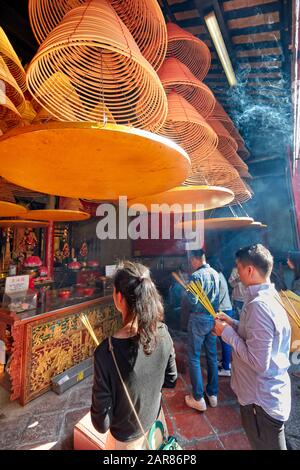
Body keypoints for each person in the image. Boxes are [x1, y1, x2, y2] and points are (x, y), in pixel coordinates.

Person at [91, 260, 177, 450]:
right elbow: (171, 380)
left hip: (126, 444)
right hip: (156, 427)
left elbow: (101, 423)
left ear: (119, 298)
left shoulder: (106, 353)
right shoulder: (163, 332)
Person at [214, 244, 291, 450]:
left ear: (250, 270)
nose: (237, 274)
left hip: (261, 402)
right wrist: (233, 323)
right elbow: (256, 336)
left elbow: (258, 363)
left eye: (239, 268)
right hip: (265, 397)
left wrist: (226, 334)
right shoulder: (268, 297)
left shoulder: (259, 306)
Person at [183, 249, 220, 412]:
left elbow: (192, 300)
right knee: (212, 356)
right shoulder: (216, 274)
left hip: (198, 319)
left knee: (194, 357)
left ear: (196, 259)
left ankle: (198, 397)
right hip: (212, 318)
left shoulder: (196, 276)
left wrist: (187, 290)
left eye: (192, 260)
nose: (191, 263)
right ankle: (212, 395)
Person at [212, 258, 233, 377]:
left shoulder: (217, 277)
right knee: (223, 339)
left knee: (224, 339)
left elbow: (216, 296)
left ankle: (226, 368)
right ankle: (226, 363)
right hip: (226, 309)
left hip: (223, 310)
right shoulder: (221, 275)